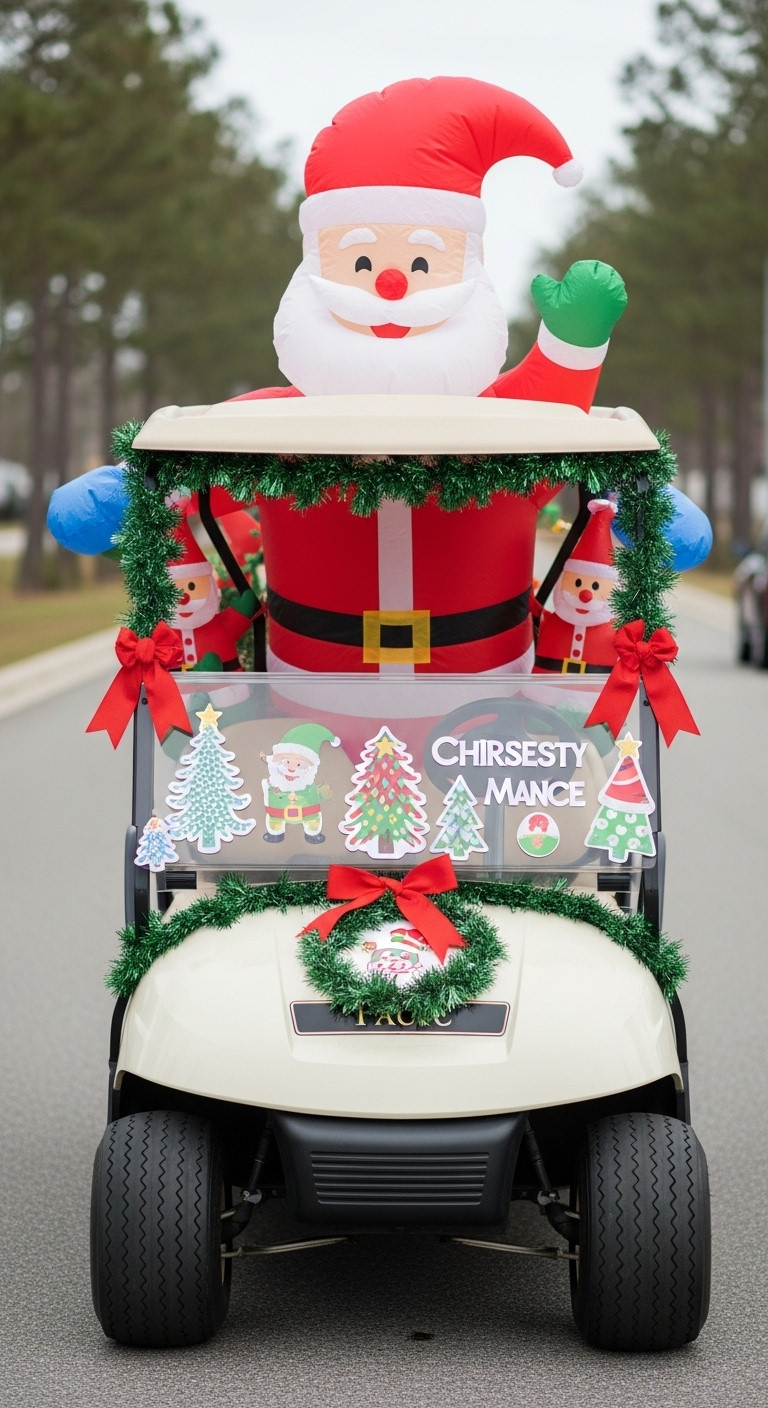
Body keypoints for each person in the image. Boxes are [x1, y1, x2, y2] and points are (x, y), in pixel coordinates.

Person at [48, 77, 711, 676]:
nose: (392, 284)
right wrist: (122, 494)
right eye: (361, 264)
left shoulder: (504, 426)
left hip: (487, 705)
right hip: (306, 707)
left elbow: (557, 423)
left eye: (422, 266)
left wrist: (571, 348)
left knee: (564, 794)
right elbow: (197, 473)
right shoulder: (275, 426)